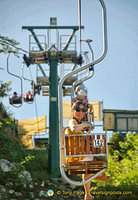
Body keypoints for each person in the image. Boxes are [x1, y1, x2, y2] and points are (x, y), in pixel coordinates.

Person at [65, 100, 94, 200]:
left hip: (79, 155)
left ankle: (87, 194)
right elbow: (73, 129)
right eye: (78, 110)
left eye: (83, 110)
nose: (81, 113)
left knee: (88, 169)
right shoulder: (72, 121)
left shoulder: (79, 124)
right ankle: (99, 176)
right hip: (74, 156)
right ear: (73, 111)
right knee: (92, 159)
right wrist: (85, 124)